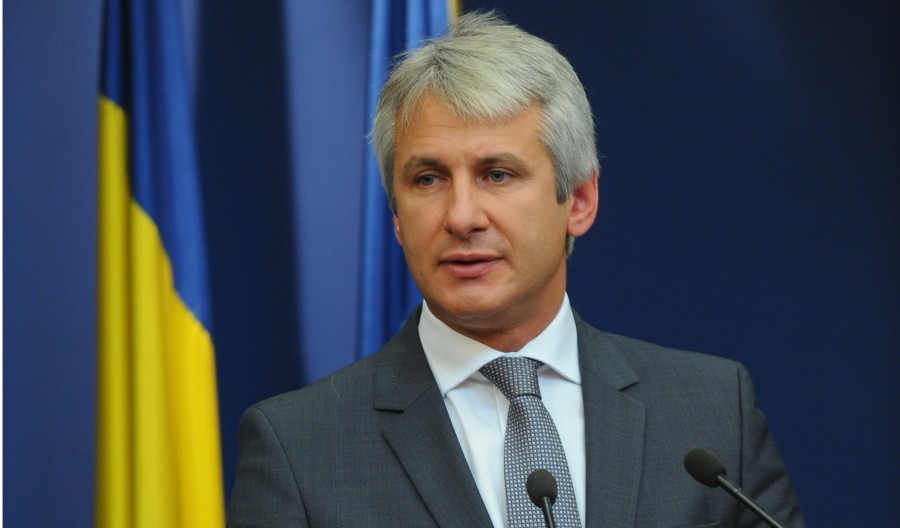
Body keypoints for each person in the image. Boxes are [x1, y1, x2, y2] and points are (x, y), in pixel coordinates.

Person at [226, 12, 805, 527]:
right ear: (397, 218)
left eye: (497, 174)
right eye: (427, 179)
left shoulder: (712, 414)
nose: (461, 216)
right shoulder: (299, 450)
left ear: (579, 201)